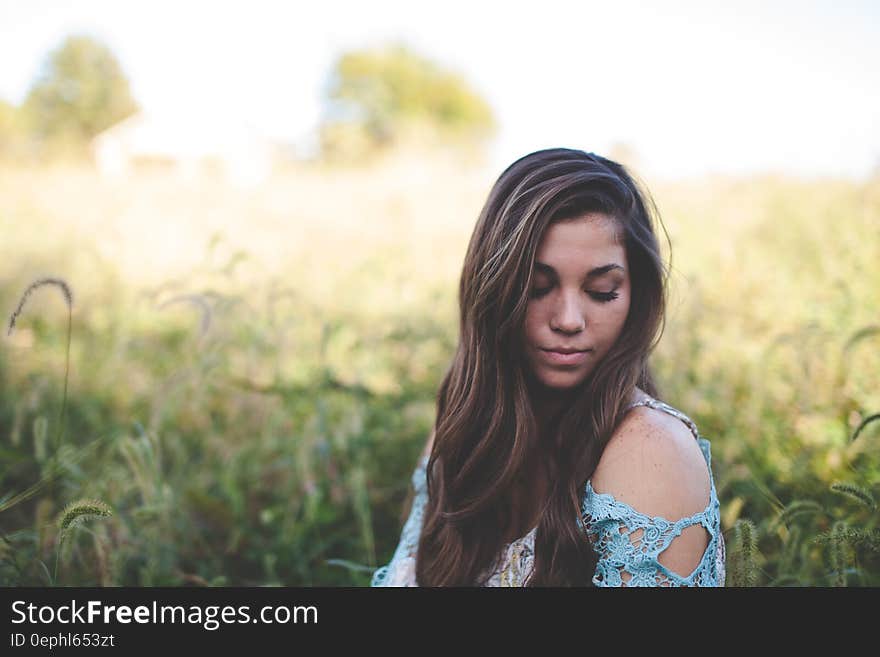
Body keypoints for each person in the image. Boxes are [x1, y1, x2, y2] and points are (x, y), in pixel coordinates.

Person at [371, 147, 725, 586]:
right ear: (493, 291)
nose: (568, 320)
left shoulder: (649, 451)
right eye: (537, 288)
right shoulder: (463, 426)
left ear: (637, 298)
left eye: (602, 291)